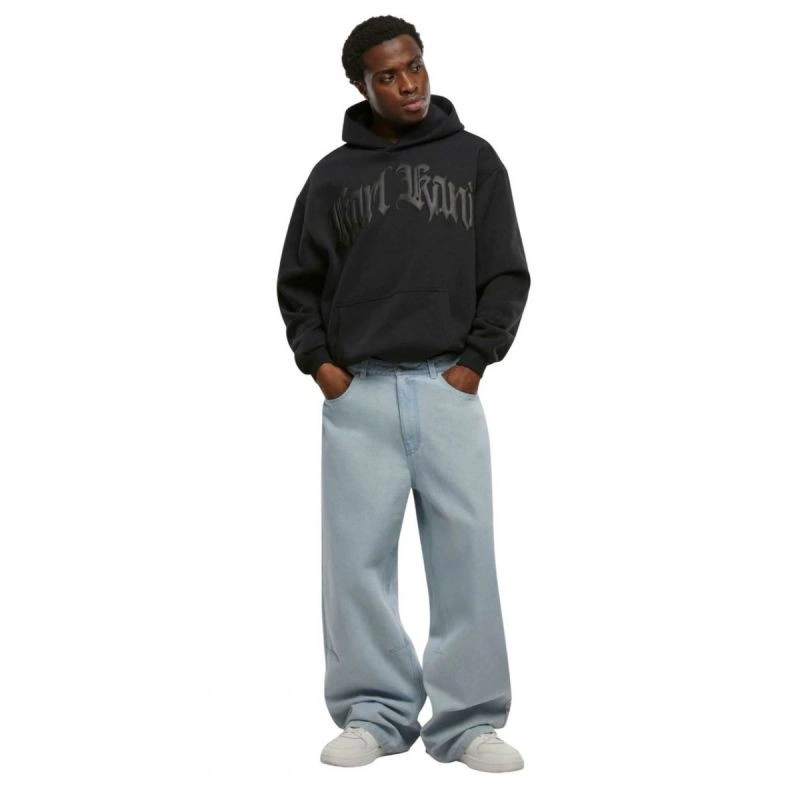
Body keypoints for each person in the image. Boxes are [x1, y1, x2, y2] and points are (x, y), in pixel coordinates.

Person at [276, 15, 531, 772]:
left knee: (465, 558)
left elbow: (506, 271)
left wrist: (473, 364)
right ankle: (375, 713)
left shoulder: (474, 159)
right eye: (387, 75)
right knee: (356, 565)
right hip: (360, 394)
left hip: (449, 386)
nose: (408, 83)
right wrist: (323, 369)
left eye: (414, 65)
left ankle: (469, 722)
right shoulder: (332, 176)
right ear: (362, 84)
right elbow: (297, 283)